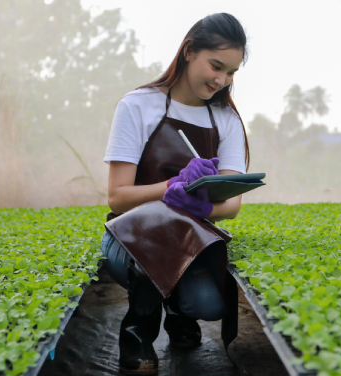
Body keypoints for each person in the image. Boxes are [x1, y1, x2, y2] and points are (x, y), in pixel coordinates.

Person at [100, 13, 250, 375]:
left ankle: (180, 313)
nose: (221, 80)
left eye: (230, 72)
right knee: (155, 236)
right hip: (130, 238)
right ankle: (136, 338)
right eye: (216, 66)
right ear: (188, 51)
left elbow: (230, 205)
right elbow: (117, 197)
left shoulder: (226, 120)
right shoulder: (137, 106)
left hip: (192, 239)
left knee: (209, 305)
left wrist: (197, 201)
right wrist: (170, 189)